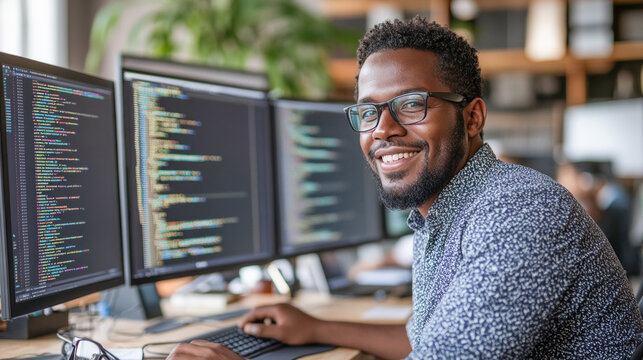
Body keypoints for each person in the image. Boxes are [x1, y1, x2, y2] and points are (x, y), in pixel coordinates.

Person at [167, 16, 643, 360]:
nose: (383, 129)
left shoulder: (517, 211)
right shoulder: (444, 213)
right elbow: (430, 339)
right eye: (368, 111)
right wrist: (315, 327)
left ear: (473, 117)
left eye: (412, 104)